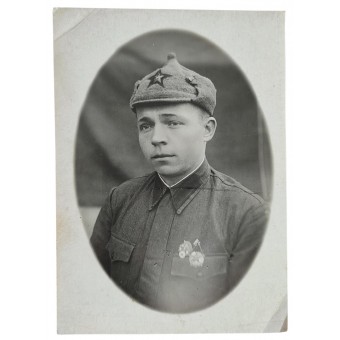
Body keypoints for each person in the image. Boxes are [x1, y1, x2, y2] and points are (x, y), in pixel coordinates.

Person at [90, 52, 269, 313]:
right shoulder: (119, 200)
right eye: (145, 126)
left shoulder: (247, 213)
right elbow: (94, 299)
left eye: (172, 123)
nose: (156, 138)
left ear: (207, 129)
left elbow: (246, 319)